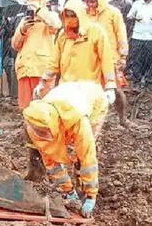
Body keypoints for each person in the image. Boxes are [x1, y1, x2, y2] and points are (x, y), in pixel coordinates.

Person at [23, 81, 108, 218]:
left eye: (44, 132)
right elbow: (51, 162)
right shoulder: (36, 122)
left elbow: (88, 158)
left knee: (81, 155)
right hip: (64, 99)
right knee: (56, 149)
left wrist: (91, 196)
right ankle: (72, 190)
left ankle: (84, 190)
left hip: (94, 102)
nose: (41, 135)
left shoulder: (79, 122)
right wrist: (67, 191)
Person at [34, 0, 117, 105]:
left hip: (89, 89)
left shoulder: (96, 32)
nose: (70, 19)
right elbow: (53, 63)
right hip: (66, 88)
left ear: (80, 15)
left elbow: (106, 60)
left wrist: (110, 86)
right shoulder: (63, 35)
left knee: (86, 120)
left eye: (73, 16)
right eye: (67, 16)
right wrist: (42, 82)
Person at [85, 0, 133, 128]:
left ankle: (123, 118)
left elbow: (121, 35)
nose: (91, 3)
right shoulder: (85, 14)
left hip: (111, 58)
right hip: (91, 59)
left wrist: (123, 56)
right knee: (92, 90)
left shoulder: (113, 13)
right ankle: (94, 120)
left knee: (116, 89)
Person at [11, 0, 62, 110]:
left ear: (42, 1)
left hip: (42, 70)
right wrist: (22, 31)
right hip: (25, 70)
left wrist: (39, 10)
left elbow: (56, 25)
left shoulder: (51, 16)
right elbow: (15, 45)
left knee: (44, 108)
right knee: (26, 109)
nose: (32, 2)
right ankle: (28, 129)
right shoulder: (24, 20)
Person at [1, 17, 18, 103]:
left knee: (11, 73)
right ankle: (12, 94)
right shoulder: (1, 22)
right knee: (10, 73)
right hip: (5, 51)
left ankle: (13, 95)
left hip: (9, 52)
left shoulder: (13, 22)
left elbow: (11, 33)